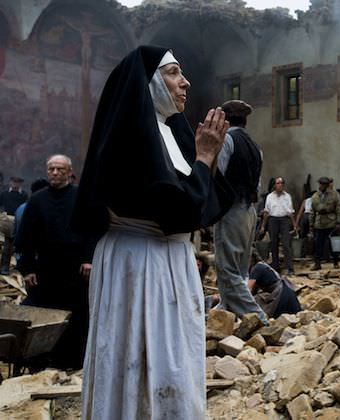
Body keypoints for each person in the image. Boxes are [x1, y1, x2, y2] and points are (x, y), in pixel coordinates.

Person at [71, 46, 231, 419]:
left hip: (167, 262)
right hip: (139, 263)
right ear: (149, 84)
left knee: (172, 359)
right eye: (174, 73)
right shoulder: (133, 137)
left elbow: (203, 208)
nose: (185, 82)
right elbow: (176, 212)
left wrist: (207, 161)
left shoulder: (169, 133)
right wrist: (204, 158)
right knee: (136, 358)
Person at [15, 156, 95, 369]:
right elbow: (25, 238)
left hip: (76, 269)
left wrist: (89, 259)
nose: (55, 173)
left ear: (70, 172)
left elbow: (92, 231)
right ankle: (41, 361)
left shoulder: (81, 197)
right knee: (44, 316)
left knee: (76, 316)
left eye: (60, 169)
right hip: (46, 270)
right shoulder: (37, 200)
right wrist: (28, 268)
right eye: (51, 169)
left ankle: (72, 361)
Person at [213, 99, 268, 322]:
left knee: (227, 269)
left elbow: (220, 178)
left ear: (225, 119)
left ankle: (258, 318)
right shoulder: (256, 147)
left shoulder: (227, 140)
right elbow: (258, 186)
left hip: (231, 210)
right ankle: (226, 312)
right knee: (241, 269)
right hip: (249, 211)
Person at [260, 177, 297, 275]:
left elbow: (290, 212)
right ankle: (276, 267)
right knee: (273, 244)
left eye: (281, 183)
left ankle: (290, 268)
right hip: (273, 220)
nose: (280, 185)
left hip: (284, 220)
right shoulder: (270, 197)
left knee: (286, 244)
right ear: (274, 185)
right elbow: (266, 212)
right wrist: (263, 226)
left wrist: (294, 225)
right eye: (278, 183)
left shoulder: (287, 196)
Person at [248, 252, 301, 319]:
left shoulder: (256, 269)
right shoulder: (261, 265)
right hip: (286, 291)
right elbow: (253, 291)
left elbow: (248, 291)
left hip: (282, 295)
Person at [12, 178, 48, 267]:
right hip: (37, 259)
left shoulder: (20, 208)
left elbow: (14, 233)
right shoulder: (44, 210)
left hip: (20, 257)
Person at [310, 177, 340, 270]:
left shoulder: (335, 195)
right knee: (318, 244)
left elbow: (339, 209)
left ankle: (336, 261)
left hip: (331, 221)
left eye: (324, 184)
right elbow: (312, 211)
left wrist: (338, 222)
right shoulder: (315, 196)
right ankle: (317, 263)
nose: (322, 186)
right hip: (319, 223)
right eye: (321, 184)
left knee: (333, 243)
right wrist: (311, 225)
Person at [0, 177, 28, 274]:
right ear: (10, 182)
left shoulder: (24, 195)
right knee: (7, 245)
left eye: (18, 182)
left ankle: (19, 267)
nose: (16, 184)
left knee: (19, 245)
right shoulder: (4, 194)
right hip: (7, 221)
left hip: (19, 221)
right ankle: (4, 267)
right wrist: (2, 214)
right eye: (14, 182)